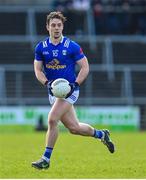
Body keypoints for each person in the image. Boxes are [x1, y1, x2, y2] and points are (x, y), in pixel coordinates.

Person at [32, 11, 115, 170]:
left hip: (70, 91)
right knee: (74, 128)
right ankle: (101, 134)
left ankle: (45, 159)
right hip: (54, 92)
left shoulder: (72, 46)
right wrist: (46, 83)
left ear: (62, 27)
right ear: (47, 27)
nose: (56, 28)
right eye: (53, 25)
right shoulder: (41, 48)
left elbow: (85, 67)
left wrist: (75, 84)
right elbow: (38, 70)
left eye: (59, 25)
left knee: (51, 119)